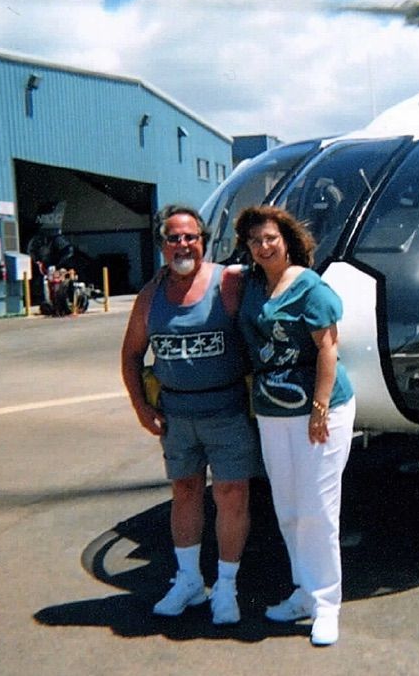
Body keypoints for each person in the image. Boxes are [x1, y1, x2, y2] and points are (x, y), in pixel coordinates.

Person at [120, 204, 261, 625]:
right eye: (173, 238)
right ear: (162, 245)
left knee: (231, 494)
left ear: (203, 241)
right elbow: (131, 354)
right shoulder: (150, 297)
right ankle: (188, 581)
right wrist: (141, 406)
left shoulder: (229, 283)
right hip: (177, 416)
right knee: (184, 491)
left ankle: (227, 586)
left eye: (190, 237)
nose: (182, 245)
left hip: (227, 411)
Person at [233, 205, 356, 647]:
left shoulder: (310, 286)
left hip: (319, 412)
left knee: (318, 509)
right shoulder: (252, 285)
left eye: (270, 238)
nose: (263, 246)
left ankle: (327, 604)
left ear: (287, 240)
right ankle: (304, 592)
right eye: (254, 241)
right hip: (273, 411)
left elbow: (328, 349)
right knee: (288, 508)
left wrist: (320, 407)